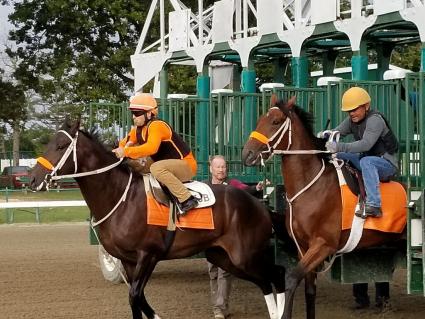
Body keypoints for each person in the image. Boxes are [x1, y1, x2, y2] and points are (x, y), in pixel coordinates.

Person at [112, 93, 199, 214]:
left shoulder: (157, 126)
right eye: (132, 113)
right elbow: (124, 143)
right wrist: (119, 150)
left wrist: (126, 151)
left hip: (187, 165)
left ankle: (187, 199)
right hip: (167, 166)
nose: (133, 116)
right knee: (131, 164)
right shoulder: (138, 129)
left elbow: (151, 148)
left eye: (137, 113)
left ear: (149, 113)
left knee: (155, 168)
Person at [205, 155, 267, 319]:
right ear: (211, 168)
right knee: (212, 272)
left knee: (224, 271)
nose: (221, 170)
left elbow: (245, 189)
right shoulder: (204, 187)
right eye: (218, 167)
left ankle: (219, 307)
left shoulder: (231, 184)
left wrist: (258, 187)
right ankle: (219, 306)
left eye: (224, 166)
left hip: (226, 237)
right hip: (208, 237)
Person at [321, 87, 399, 218]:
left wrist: (338, 146)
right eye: (349, 111)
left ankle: (374, 205)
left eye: (355, 109)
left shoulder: (375, 120)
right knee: (334, 155)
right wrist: (324, 136)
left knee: (366, 161)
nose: (351, 113)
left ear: (366, 106)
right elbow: (337, 132)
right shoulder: (352, 120)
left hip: (386, 164)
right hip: (366, 160)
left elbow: (365, 145)